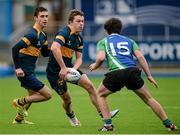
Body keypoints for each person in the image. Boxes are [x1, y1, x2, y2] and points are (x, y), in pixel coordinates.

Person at [89, 17, 178, 131]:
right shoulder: (130, 41)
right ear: (120, 29)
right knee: (149, 99)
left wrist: (95, 66)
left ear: (106, 31)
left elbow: (101, 58)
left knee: (100, 95)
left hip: (116, 73)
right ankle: (169, 124)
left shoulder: (104, 41)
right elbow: (140, 57)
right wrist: (149, 75)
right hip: (132, 72)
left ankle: (108, 125)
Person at [46, 9, 119, 126]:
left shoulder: (79, 38)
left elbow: (79, 59)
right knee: (67, 100)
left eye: (83, 21)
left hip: (68, 68)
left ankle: (104, 114)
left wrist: (73, 69)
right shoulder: (64, 33)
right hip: (55, 72)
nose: (81, 24)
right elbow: (54, 48)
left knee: (90, 86)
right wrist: (63, 68)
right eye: (78, 21)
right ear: (70, 22)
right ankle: (71, 116)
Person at [12, 7, 52, 124]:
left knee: (32, 95)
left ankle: (19, 119)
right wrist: (18, 68)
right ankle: (18, 102)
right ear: (35, 18)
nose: (45, 19)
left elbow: (45, 53)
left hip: (30, 70)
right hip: (24, 71)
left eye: (46, 16)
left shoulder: (43, 35)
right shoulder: (32, 35)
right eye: (42, 16)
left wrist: (57, 51)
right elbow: (15, 48)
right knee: (48, 94)